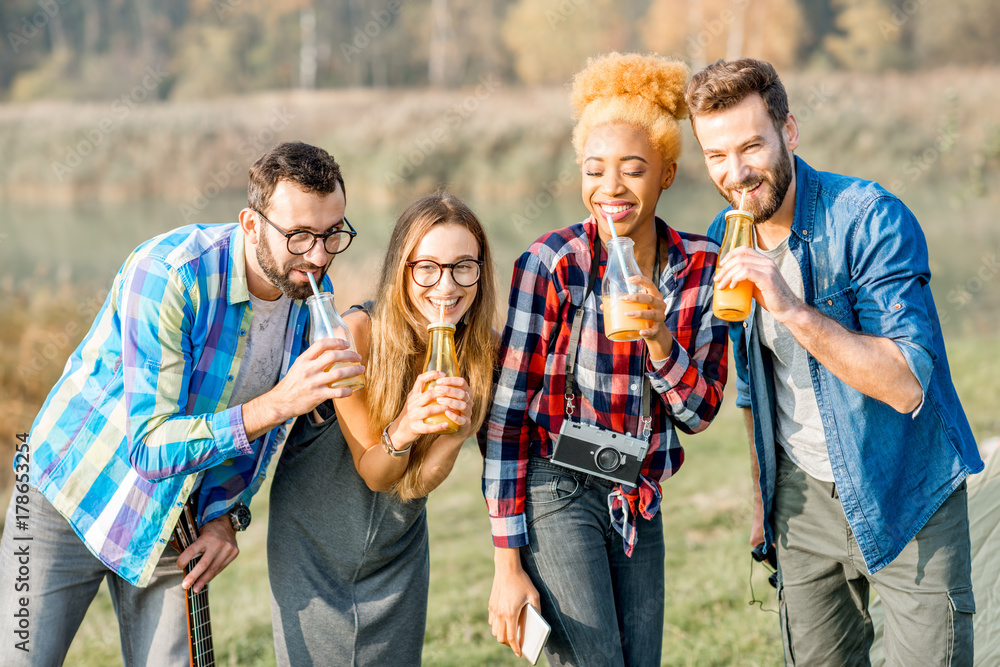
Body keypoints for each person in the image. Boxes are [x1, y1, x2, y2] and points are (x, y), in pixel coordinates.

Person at [0, 141, 364, 666]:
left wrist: (226, 518)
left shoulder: (309, 293)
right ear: (251, 223)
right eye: (300, 236)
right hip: (66, 494)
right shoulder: (171, 273)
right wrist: (283, 401)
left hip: (175, 515)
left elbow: (261, 438)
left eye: (334, 233)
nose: (319, 255)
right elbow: (149, 448)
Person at [686, 58, 982, 665]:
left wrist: (792, 307)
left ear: (789, 132)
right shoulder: (724, 234)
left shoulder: (871, 217)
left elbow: (905, 384)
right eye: (716, 155)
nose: (736, 173)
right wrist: (760, 499)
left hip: (905, 488)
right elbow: (753, 385)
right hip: (800, 507)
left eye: (751, 147)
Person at [483, 52, 728, 666]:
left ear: (667, 173)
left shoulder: (700, 266)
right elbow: (508, 417)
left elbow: (698, 416)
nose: (610, 188)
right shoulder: (554, 263)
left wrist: (660, 343)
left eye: (633, 169)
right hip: (557, 482)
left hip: (638, 492)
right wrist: (506, 564)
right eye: (594, 170)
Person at [267, 192, 498, 666]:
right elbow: (375, 471)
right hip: (317, 546)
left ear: (481, 271)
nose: (446, 286)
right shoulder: (354, 336)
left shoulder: (482, 350)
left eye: (463, 267)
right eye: (427, 268)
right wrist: (408, 425)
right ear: (402, 269)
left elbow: (414, 487)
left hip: (397, 543)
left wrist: (458, 429)